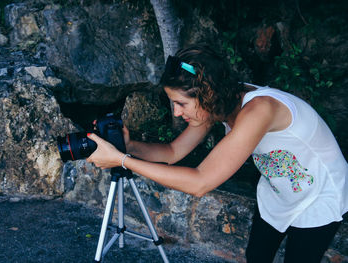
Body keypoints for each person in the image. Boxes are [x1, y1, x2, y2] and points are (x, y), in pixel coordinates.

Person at [86, 45, 348, 262]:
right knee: (257, 256)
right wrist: (129, 147)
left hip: (320, 193)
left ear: (206, 94)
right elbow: (173, 151)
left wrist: (121, 160)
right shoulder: (218, 104)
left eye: (181, 104)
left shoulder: (260, 109)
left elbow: (201, 182)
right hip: (279, 191)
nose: (176, 112)